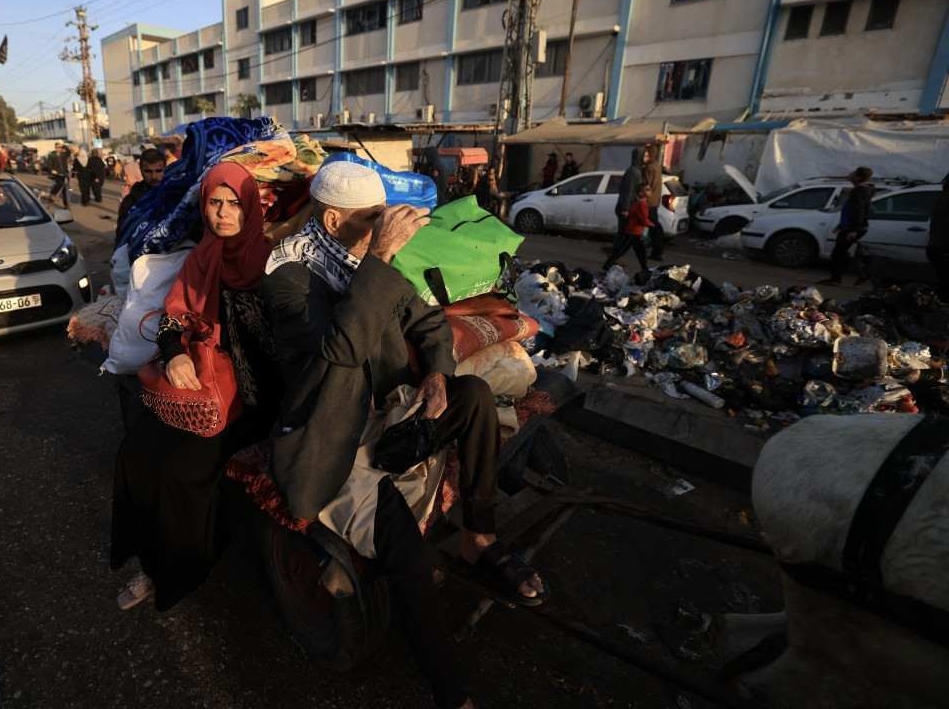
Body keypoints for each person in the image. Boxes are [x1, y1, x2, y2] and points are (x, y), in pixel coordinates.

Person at [260, 160, 544, 709]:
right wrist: (384, 257)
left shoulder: (361, 257)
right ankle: (449, 691)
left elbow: (429, 322)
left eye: (381, 218)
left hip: (389, 409)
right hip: (334, 432)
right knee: (406, 556)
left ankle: (478, 535)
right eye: (372, 219)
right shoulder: (289, 274)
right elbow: (342, 349)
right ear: (335, 217)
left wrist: (436, 373)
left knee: (474, 397)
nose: (380, 227)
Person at [110, 162, 281, 613]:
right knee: (137, 452)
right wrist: (176, 351)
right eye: (214, 203)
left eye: (233, 204)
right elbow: (173, 316)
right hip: (202, 385)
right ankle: (149, 561)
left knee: (182, 471)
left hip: (252, 401)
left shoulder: (270, 263)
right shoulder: (201, 257)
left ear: (249, 209)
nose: (223, 213)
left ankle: (181, 569)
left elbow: (280, 347)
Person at [821, 167, 875, 286]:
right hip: (850, 227)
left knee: (838, 253)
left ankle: (840, 278)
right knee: (842, 253)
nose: (849, 174)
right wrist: (841, 225)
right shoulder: (860, 190)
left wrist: (854, 230)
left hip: (853, 228)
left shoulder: (859, 191)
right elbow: (850, 211)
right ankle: (858, 274)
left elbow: (859, 211)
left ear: (858, 177)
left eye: (853, 173)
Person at [602, 182, 653, 274]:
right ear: (641, 193)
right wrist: (652, 225)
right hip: (634, 232)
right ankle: (607, 265)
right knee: (624, 250)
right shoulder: (642, 204)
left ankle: (645, 269)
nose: (650, 192)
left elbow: (633, 213)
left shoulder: (638, 202)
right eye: (647, 190)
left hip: (633, 231)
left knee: (639, 251)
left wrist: (628, 214)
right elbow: (643, 220)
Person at [927, 172, 949, 302]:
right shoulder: (945, 199)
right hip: (943, 246)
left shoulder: (942, 197)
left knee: (943, 279)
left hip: (937, 246)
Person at [642, 144, 665, 261]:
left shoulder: (649, 168)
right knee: (654, 226)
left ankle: (657, 251)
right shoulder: (657, 166)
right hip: (654, 201)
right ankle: (658, 250)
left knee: (653, 226)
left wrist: (641, 197)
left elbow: (646, 185)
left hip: (649, 202)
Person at [47, 143, 70, 208]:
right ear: (55, 148)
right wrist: (52, 170)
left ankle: (66, 205)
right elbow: (49, 165)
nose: (59, 148)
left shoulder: (64, 155)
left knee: (65, 190)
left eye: (60, 147)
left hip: (65, 173)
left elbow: (68, 151)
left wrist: (64, 146)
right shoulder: (52, 155)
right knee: (59, 184)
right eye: (58, 147)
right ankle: (52, 195)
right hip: (57, 174)